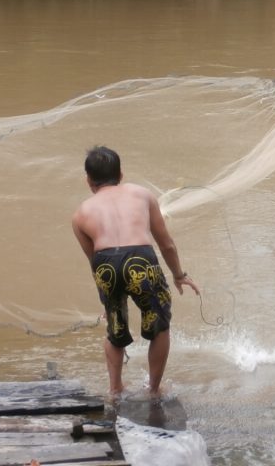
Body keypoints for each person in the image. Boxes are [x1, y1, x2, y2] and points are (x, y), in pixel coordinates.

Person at [71, 146, 200, 399]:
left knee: (115, 330)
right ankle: (153, 389)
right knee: (159, 326)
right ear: (121, 174)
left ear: (88, 180)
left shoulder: (80, 214)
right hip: (140, 259)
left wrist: (107, 298)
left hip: (106, 266)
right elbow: (166, 244)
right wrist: (178, 274)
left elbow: (94, 260)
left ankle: (115, 389)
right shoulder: (142, 195)